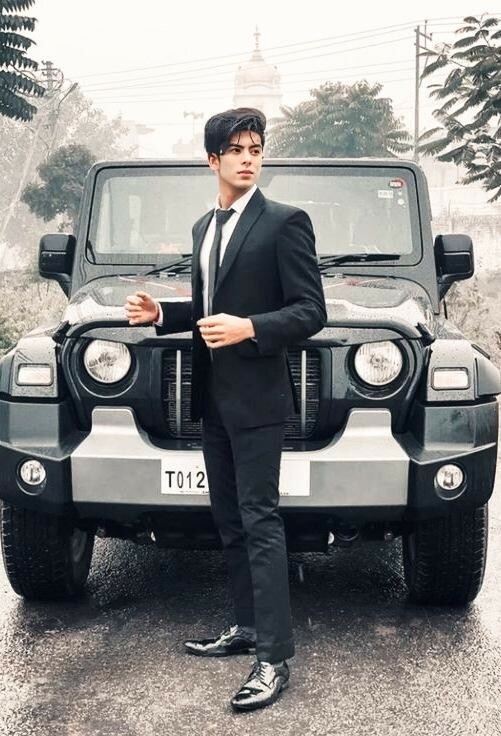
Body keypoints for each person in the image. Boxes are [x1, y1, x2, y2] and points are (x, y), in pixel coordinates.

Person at [124, 107, 327, 712]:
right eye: (236, 149)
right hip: (213, 398)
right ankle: (245, 627)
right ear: (212, 159)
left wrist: (250, 328)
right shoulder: (203, 228)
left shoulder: (285, 222)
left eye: (255, 149)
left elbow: (310, 311)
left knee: (261, 520)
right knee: (229, 520)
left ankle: (274, 658)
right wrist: (164, 314)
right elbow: (209, 305)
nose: (247, 159)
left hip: (260, 399)